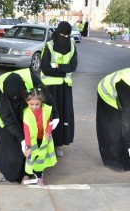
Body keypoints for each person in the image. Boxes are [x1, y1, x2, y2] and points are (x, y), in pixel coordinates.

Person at [0, 68, 59, 183]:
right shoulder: (1, 92)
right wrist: (23, 140)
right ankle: (4, 168)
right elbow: (8, 120)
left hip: (27, 111)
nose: (16, 100)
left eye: (18, 97)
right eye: (13, 98)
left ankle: (30, 169)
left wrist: (56, 115)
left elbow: (47, 96)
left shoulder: (31, 78)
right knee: (9, 143)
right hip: (7, 119)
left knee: (31, 143)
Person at [40, 21, 78, 157]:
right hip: (49, 88)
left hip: (64, 88)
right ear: (57, 33)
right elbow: (45, 68)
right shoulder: (49, 46)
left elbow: (73, 66)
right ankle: (46, 144)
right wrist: (63, 70)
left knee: (62, 116)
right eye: (62, 34)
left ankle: (58, 145)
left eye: (67, 35)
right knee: (49, 116)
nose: (64, 37)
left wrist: (56, 67)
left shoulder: (72, 47)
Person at [21, 87, 57, 186]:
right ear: (26, 102)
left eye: (37, 104)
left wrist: (48, 132)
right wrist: (27, 146)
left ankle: (40, 176)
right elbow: (26, 130)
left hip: (43, 139)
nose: (34, 106)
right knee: (30, 157)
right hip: (32, 140)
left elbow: (49, 123)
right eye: (31, 104)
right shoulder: (26, 113)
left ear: (41, 101)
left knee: (41, 157)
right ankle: (27, 174)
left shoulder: (46, 110)